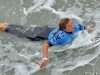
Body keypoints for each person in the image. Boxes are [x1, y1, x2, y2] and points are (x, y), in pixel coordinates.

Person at [0, 18, 92, 68]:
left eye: (72, 24)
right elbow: (46, 45)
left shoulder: (77, 26)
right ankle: (5, 28)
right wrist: (45, 58)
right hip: (42, 35)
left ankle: (6, 25)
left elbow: (87, 28)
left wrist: (94, 33)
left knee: (27, 29)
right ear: (64, 29)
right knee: (23, 33)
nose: (73, 26)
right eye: (69, 26)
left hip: (49, 29)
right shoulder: (60, 37)